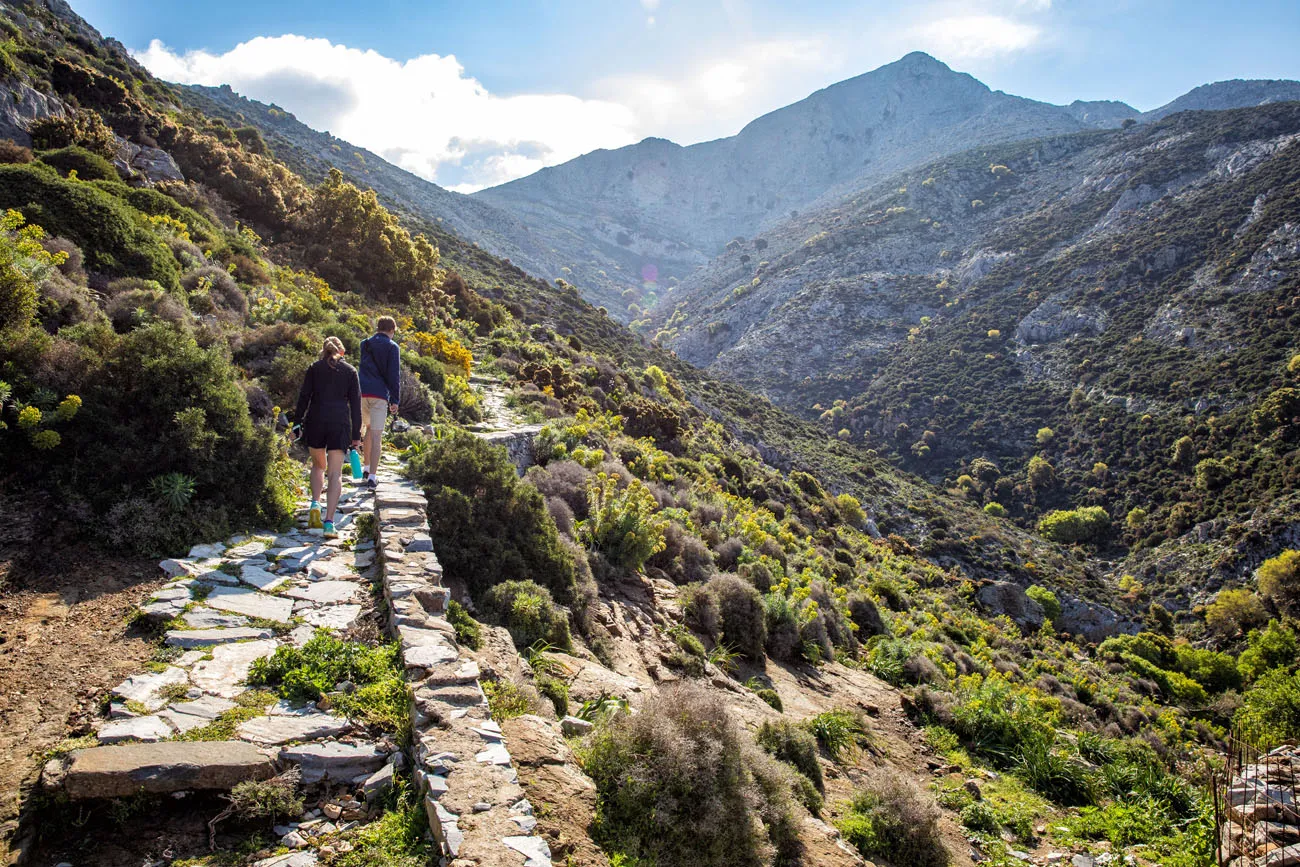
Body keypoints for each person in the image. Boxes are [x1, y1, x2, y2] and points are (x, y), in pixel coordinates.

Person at [293, 336, 361, 538]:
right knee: (335, 474)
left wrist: (297, 423)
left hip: (316, 420)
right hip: (339, 423)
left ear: (324, 351)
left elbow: (304, 397)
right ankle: (329, 522)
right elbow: (356, 407)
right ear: (342, 352)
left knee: (317, 466)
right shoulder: (350, 372)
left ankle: (315, 504)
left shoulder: (314, 368)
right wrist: (356, 436)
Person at [358, 315, 400, 487]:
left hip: (361, 393)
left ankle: (365, 467)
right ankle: (372, 477)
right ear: (391, 330)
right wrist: (395, 400)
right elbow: (393, 375)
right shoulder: (392, 347)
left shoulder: (365, 344)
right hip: (379, 395)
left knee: (367, 429)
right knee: (376, 435)